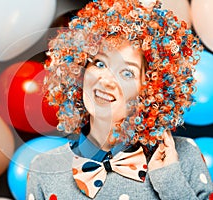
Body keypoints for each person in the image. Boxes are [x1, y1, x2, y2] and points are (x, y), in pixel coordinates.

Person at [26, 0, 213, 199]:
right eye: (99, 63)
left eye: (126, 73)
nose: (106, 80)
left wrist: (169, 181)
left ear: (151, 90)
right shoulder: (43, 169)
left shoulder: (183, 157)